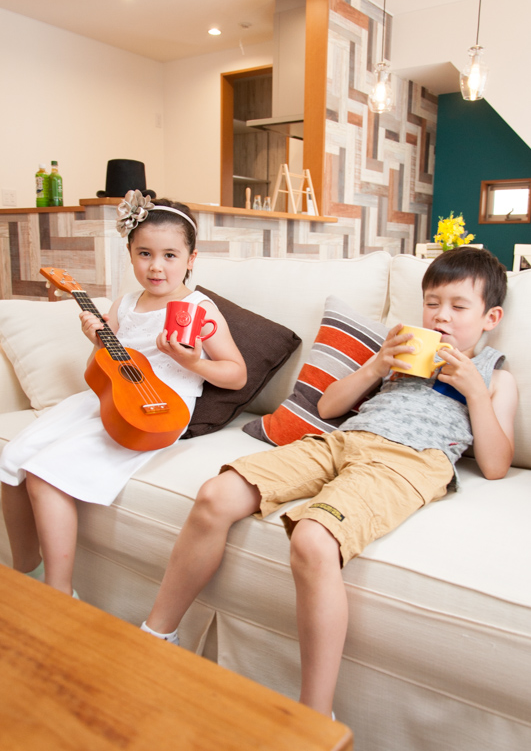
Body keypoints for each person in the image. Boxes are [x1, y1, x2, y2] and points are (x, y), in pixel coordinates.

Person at [141, 246, 517, 718]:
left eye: (458, 307)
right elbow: (327, 408)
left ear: (490, 317)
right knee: (216, 494)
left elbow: (496, 464)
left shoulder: (494, 376)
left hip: (409, 462)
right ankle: (156, 636)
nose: (441, 316)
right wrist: (378, 364)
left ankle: (316, 717)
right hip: (343, 440)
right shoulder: (402, 354)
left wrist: (475, 392)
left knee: (313, 539)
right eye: (432, 303)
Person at [0, 190, 247, 597]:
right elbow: (103, 366)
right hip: (106, 399)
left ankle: (59, 594)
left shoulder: (199, 308)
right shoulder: (126, 303)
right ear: (130, 254)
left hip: (156, 409)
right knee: (10, 459)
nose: (156, 266)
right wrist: (98, 339)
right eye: (144, 254)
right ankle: (25, 572)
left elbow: (236, 375)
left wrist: (193, 363)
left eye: (170, 255)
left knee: (45, 475)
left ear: (191, 258)